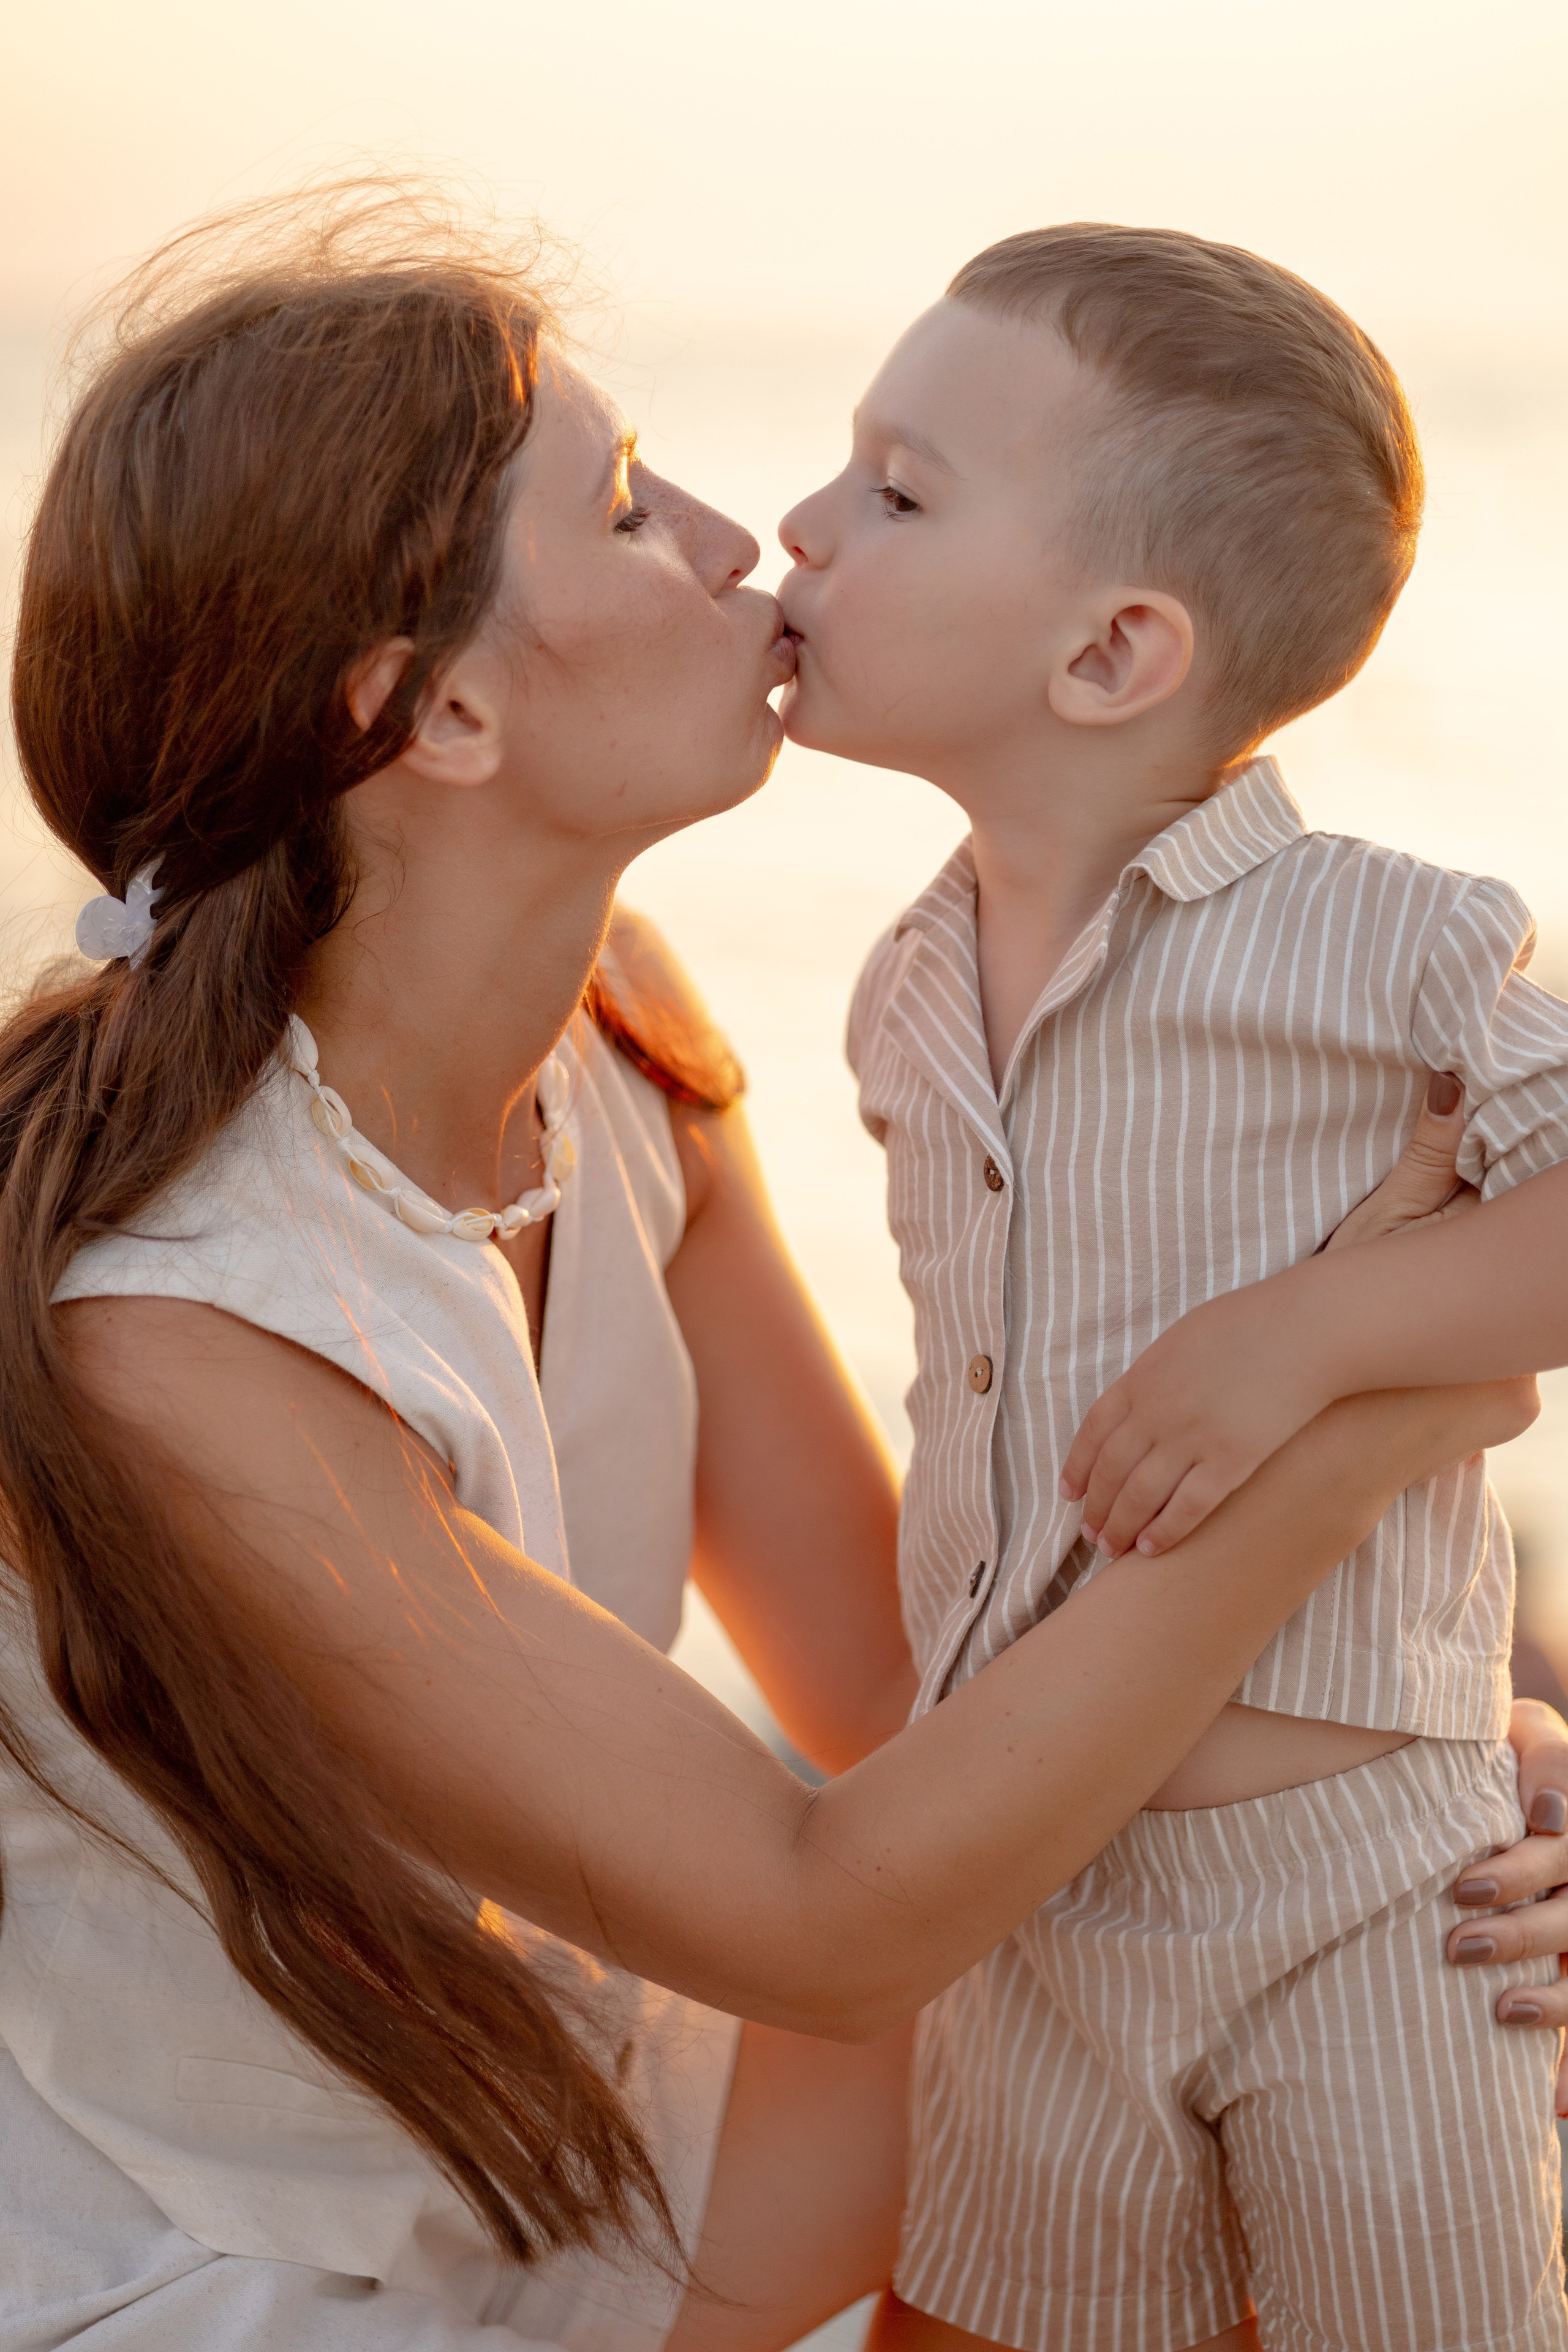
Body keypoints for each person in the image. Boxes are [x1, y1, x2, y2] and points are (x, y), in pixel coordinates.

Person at [0, 189, 1534, 2352]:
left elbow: (912, 1700)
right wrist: (1360, 1403)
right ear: (428, 718)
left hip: (569, 2116)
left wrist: (1407, 1779)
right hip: (250, 2267)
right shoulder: (181, 1338)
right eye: (628, 508)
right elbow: (832, 1924)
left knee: (1362, 2022)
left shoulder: (620, 1037)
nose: (747, 541)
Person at [775, 222, 1568, 2351]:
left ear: (1116, 653)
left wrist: (1308, 1335)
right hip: (1019, 1882)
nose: (799, 528)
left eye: (898, 491)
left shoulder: (1381, 940)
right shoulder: (899, 994)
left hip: (1375, 1884)